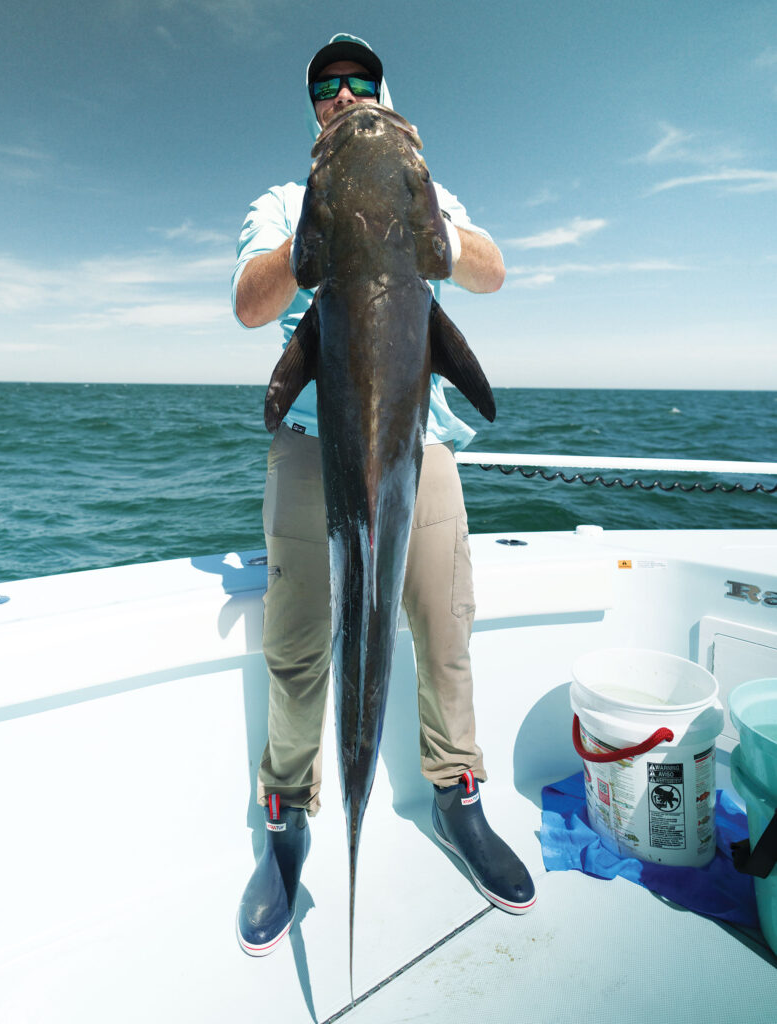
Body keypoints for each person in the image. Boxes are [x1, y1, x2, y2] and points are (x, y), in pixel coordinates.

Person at [231, 33, 536, 957]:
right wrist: (313, 235)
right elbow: (251, 302)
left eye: (362, 81)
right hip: (311, 443)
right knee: (296, 645)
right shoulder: (286, 200)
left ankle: (457, 796)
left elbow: (488, 269)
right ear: (313, 108)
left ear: (386, 92)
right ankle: (287, 826)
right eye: (328, 86)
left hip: (421, 442)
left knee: (444, 629)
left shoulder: (427, 187)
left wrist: (426, 229)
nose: (345, 93)